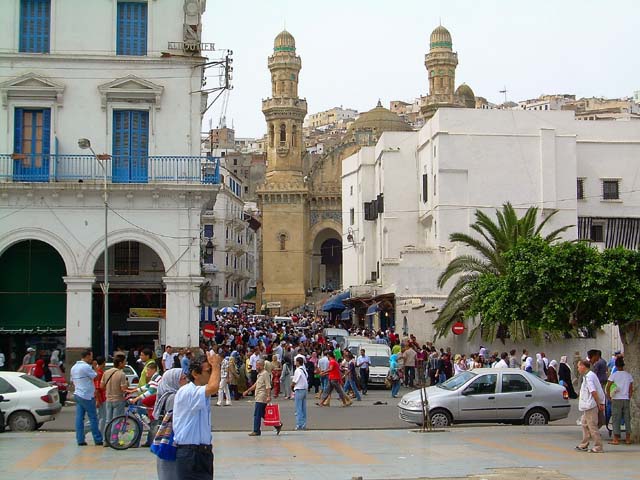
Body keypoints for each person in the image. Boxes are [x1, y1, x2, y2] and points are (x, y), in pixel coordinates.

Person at [172, 351, 221, 480]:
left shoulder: (201, 392)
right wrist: (216, 366)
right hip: (190, 454)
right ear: (195, 374)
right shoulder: (188, 392)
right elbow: (214, 387)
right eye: (208, 371)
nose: (211, 374)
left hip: (203, 452)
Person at [154, 368, 188, 480]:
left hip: (165, 441)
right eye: (183, 378)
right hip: (171, 443)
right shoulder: (173, 397)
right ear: (174, 381)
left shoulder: (165, 396)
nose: (186, 380)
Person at [70, 349, 103, 446]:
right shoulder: (86, 367)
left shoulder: (74, 367)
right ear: (88, 356)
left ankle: (80, 439)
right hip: (87, 395)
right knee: (93, 418)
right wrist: (95, 367)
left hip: (78, 393)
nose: (92, 359)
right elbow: (96, 377)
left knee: (79, 418)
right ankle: (98, 439)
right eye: (91, 357)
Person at [243, 359, 283, 436]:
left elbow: (268, 386)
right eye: (256, 365)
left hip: (262, 397)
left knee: (257, 414)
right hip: (258, 396)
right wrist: (247, 391)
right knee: (263, 414)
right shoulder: (259, 374)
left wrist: (268, 396)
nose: (256, 367)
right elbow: (256, 385)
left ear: (262, 366)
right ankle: (277, 425)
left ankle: (256, 430)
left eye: (258, 365)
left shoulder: (265, 374)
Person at [576, 360, 605, 453]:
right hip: (587, 405)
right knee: (584, 424)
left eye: (578, 366)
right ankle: (584, 444)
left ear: (583, 366)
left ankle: (598, 446)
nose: (578, 369)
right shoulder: (588, 376)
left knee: (592, 426)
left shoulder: (589, 377)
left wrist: (599, 403)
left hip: (591, 405)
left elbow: (593, 391)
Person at [606, 356, 633, 445]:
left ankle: (616, 439)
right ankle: (628, 438)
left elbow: (608, 386)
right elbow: (630, 388)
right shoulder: (628, 375)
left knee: (616, 418)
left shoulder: (614, 375)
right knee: (627, 418)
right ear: (623, 365)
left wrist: (609, 395)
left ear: (616, 365)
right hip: (626, 399)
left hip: (616, 399)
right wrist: (629, 396)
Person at [101, 356, 128, 441]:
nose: (125, 364)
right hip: (118, 400)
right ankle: (114, 440)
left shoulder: (106, 372)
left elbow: (102, 386)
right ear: (120, 363)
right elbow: (123, 389)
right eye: (124, 362)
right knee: (117, 421)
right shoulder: (121, 374)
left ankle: (106, 440)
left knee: (108, 421)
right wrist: (127, 384)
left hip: (108, 399)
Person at [291, 357, 308, 430]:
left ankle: (299, 424)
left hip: (299, 389)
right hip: (304, 389)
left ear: (298, 362)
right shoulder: (303, 369)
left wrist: (291, 386)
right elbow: (307, 376)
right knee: (303, 408)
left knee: (298, 408)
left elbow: (295, 380)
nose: (295, 363)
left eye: (295, 361)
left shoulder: (297, 370)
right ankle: (304, 424)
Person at [93, 356, 107, 435]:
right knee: (102, 417)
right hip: (101, 397)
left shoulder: (97, 372)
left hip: (100, 397)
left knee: (99, 416)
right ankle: (100, 434)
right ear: (104, 363)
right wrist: (98, 400)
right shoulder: (99, 373)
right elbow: (97, 388)